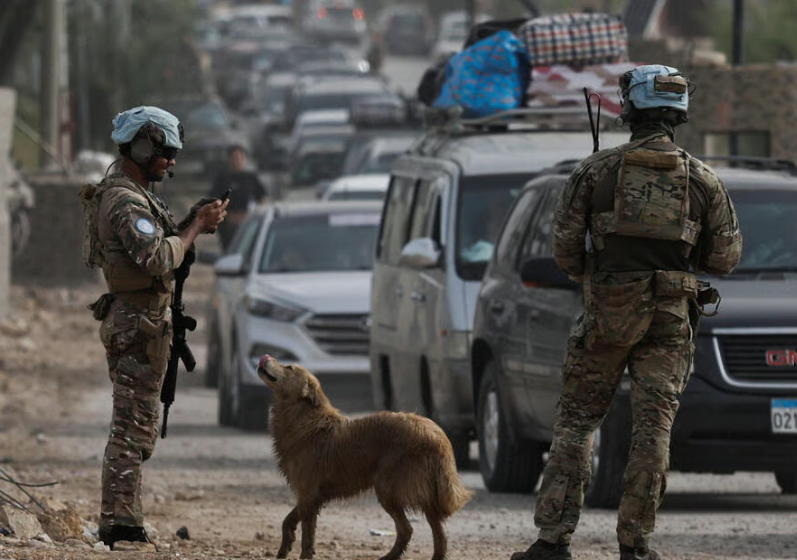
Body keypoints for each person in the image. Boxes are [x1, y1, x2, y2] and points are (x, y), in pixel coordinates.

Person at [510, 65, 742, 560]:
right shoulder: (704, 179)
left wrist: (603, 274)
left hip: (607, 316)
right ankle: (635, 545)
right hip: (671, 320)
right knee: (653, 430)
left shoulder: (594, 172)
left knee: (576, 426)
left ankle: (552, 542)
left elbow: (565, 252)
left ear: (630, 109)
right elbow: (724, 259)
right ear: (679, 113)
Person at [79, 106, 229, 550]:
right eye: (166, 153)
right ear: (142, 148)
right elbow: (157, 257)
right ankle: (120, 524)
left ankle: (122, 518)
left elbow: (161, 244)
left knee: (136, 426)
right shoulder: (125, 201)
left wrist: (190, 224)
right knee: (131, 427)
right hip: (136, 324)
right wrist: (195, 227)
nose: (171, 162)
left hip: (143, 323)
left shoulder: (137, 196)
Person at [208, 144, 267, 250]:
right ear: (229, 159)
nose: (237, 161)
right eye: (234, 157)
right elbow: (214, 200)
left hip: (248, 222)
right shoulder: (222, 179)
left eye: (240, 158)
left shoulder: (251, 178)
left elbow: (262, 198)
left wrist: (255, 215)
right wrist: (227, 216)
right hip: (228, 223)